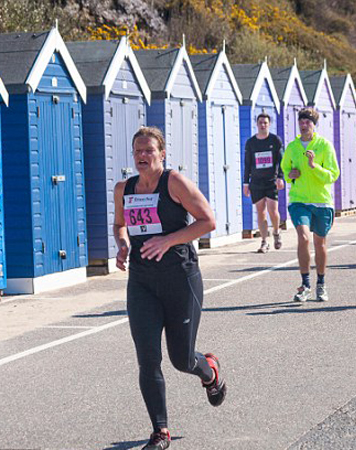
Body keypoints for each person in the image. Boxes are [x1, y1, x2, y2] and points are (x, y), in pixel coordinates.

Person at [113, 127, 226, 450]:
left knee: (180, 359)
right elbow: (120, 224)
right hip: (142, 282)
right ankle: (160, 431)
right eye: (137, 151)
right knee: (147, 359)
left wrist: (168, 239)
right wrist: (122, 245)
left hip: (180, 277)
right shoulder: (124, 188)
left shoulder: (174, 182)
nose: (142, 157)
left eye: (149, 150)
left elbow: (208, 221)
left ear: (162, 154)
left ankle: (210, 370)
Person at [281, 108, 340, 302]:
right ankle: (305, 284)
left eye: (308, 121)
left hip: (322, 202)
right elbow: (285, 168)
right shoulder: (292, 146)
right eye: (301, 121)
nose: (304, 124)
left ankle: (321, 284)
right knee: (304, 237)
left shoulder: (324, 146)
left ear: (314, 125)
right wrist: (290, 175)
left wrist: (315, 167)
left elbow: (333, 175)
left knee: (319, 243)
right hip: (299, 201)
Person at [243, 113, 285, 253]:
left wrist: (280, 177)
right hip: (256, 182)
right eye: (260, 122)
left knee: (273, 211)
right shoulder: (251, 142)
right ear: (257, 124)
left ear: (269, 124)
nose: (263, 125)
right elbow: (247, 164)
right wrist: (245, 183)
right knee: (261, 212)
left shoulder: (275, 140)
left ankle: (277, 233)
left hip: (271, 181)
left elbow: (281, 161)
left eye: (265, 123)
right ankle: (264, 241)